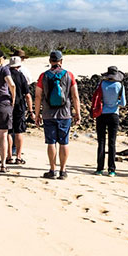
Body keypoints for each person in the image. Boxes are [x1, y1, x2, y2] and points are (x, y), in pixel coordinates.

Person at [34, 50, 81, 180]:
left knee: (51, 142)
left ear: (50, 61)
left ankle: (52, 170)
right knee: (64, 143)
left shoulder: (43, 76)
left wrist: (37, 114)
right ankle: (63, 170)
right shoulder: (69, 75)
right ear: (61, 61)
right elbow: (75, 96)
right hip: (65, 114)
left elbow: (38, 96)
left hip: (48, 114)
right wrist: (78, 113)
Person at [94, 66, 126, 177]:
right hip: (114, 115)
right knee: (112, 143)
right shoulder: (120, 86)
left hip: (101, 114)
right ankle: (111, 170)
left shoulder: (101, 84)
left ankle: (99, 169)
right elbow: (123, 103)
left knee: (101, 142)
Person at [7, 56, 33, 165]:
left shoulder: (6, 75)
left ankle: (8, 156)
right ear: (19, 66)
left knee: (8, 131)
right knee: (19, 131)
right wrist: (31, 110)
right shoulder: (21, 76)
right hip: (19, 105)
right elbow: (27, 95)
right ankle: (18, 156)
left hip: (7, 105)